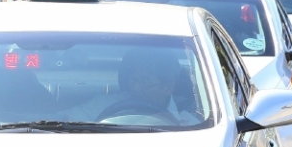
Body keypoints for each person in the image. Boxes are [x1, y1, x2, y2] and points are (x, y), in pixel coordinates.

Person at [69, 52, 200, 125]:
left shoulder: (192, 123)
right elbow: (65, 119)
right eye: (133, 80)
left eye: (145, 82)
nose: (135, 87)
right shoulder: (103, 104)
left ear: (168, 87)